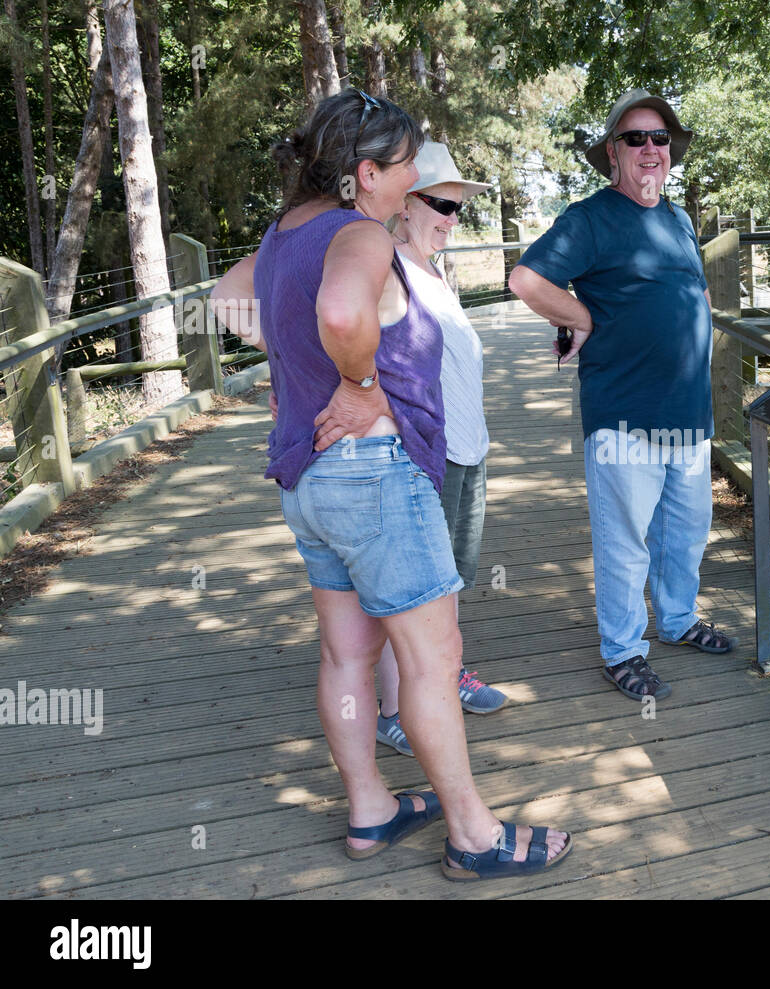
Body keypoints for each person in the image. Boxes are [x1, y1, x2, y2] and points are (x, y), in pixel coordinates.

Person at [210, 89, 570, 880]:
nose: (412, 181)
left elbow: (225, 301)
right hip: (374, 470)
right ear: (366, 173)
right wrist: (361, 380)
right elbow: (343, 312)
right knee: (432, 657)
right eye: (405, 165)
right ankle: (475, 834)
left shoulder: (281, 236)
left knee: (346, 653)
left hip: (307, 479)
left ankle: (371, 805)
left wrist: (293, 366)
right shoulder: (357, 234)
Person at [508, 88, 732, 703]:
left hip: (688, 412)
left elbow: (697, 297)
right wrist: (580, 316)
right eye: (637, 138)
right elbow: (526, 279)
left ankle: (679, 620)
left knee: (685, 532)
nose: (651, 149)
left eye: (661, 139)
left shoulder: (680, 219)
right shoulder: (590, 218)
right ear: (614, 152)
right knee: (624, 540)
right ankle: (623, 650)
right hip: (623, 413)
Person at [374, 142, 507, 760]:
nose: (451, 218)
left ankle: (447, 673)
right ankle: (393, 709)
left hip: (467, 449)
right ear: (405, 203)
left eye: (457, 208)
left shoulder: (434, 269)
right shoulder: (386, 265)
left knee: (448, 580)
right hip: (425, 452)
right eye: (440, 204)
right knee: (410, 587)